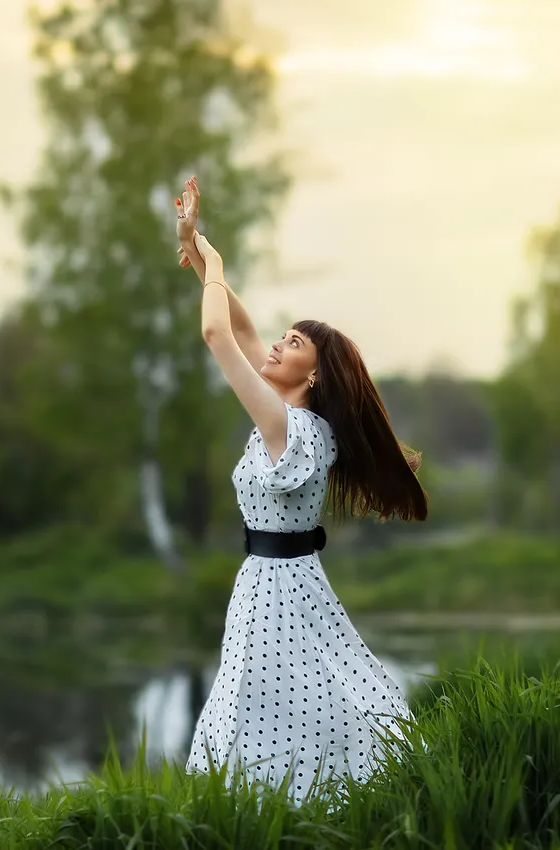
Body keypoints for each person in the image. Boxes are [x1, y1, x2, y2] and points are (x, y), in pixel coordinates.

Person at [172, 176, 429, 802]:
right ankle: (289, 805)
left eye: (293, 345)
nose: (276, 345)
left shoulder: (290, 426)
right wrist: (200, 251)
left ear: (311, 377)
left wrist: (216, 270)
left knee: (265, 707)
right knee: (295, 700)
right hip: (277, 582)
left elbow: (218, 336)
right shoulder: (293, 419)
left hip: (276, 590)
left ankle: (274, 807)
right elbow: (241, 327)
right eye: (284, 337)